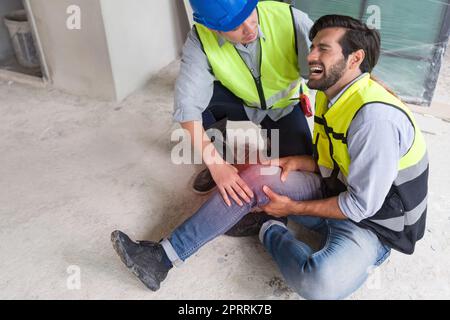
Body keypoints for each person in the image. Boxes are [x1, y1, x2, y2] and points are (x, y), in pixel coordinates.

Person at [111, 15, 428, 299]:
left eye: (323, 49)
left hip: (373, 223)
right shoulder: (330, 96)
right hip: (338, 188)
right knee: (255, 176)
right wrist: (304, 162)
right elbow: (338, 155)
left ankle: (269, 228)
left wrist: (291, 208)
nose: (311, 55)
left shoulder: (374, 119)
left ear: (355, 58)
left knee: (320, 283)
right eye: (312, 46)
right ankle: (161, 258)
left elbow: (361, 205)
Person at [174, 0, 314, 212]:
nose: (249, 28)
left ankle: (274, 142)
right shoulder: (200, 39)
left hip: (285, 106)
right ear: (212, 27)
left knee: (298, 173)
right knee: (200, 106)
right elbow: (186, 105)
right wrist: (216, 165)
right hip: (242, 100)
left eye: (250, 14)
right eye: (234, 26)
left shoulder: (292, 20)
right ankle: (223, 160)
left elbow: (332, 68)